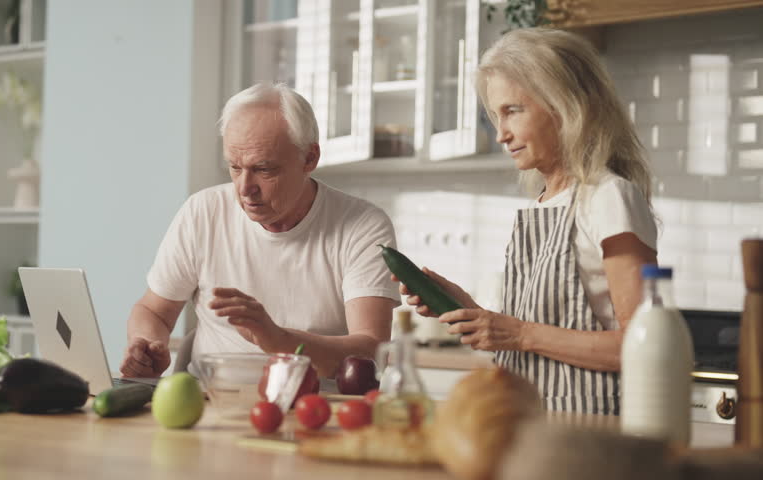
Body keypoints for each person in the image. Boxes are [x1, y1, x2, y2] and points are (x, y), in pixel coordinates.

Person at [399, 28, 657, 415]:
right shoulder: (542, 204)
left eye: (512, 111)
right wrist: (468, 312)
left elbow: (643, 345)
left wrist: (519, 333)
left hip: (589, 432)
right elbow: (530, 337)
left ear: (564, 106)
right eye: (495, 115)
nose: (501, 135)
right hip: (528, 422)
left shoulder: (609, 197)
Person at [120, 83, 400, 379]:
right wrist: (147, 345)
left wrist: (278, 340)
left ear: (309, 159)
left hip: (317, 410)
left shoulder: (363, 225)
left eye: (264, 170)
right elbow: (154, 312)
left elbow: (371, 351)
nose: (244, 189)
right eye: (235, 167)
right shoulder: (203, 211)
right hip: (208, 406)